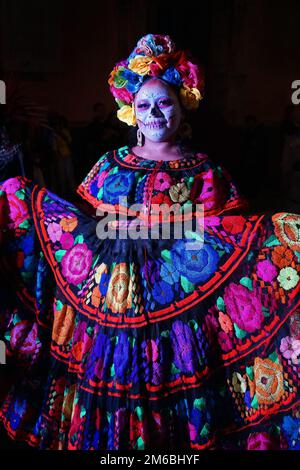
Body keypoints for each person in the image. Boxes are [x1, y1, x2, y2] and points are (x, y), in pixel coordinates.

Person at [0, 34, 299, 451]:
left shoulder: (207, 173)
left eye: (165, 103)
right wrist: (22, 200)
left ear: (183, 106)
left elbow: (228, 243)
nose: (155, 113)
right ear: (131, 113)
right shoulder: (108, 167)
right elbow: (84, 228)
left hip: (178, 326)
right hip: (110, 315)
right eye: (144, 105)